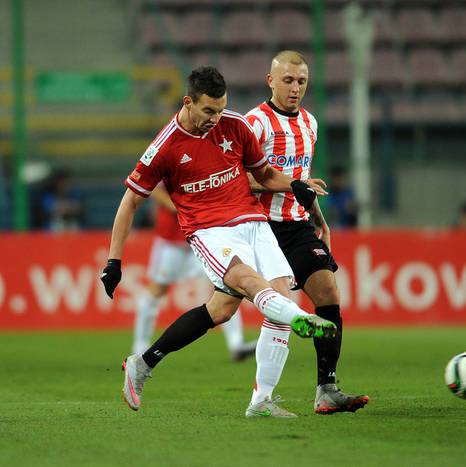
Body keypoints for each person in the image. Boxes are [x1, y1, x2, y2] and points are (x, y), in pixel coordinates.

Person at [99, 66, 338, 415]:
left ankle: (256, 400)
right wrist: (113, 261)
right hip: (209, 231)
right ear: (188, 103)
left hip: (253, 222)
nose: (215, 118)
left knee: (226, 309)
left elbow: (264, 173)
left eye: (221, 108)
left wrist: (294, 184)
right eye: (209, 110)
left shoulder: (235, 125)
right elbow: (130, 202)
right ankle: (302, 318)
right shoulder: (164, 147)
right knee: (250, 283)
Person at [245, 50, 369, 416]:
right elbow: (240, 179)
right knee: (253, 310)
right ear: (271, 81)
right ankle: (261, 398)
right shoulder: (255, 123)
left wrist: (320, 220)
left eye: (301, 81)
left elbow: (302, 181)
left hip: (298, 226)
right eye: (288, 80)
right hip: (262, 227)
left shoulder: (310, 123)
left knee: (328, 292)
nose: (295, 88)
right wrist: (286, 185)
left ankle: (327, 389)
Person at [131, 183, 257, 361]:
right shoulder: (168, 164)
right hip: (171, 240)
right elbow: (152, 188)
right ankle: (140, 347)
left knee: (227, 286)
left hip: (202, 236)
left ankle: (236, 344)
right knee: (157, 289)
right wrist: (178, 207)